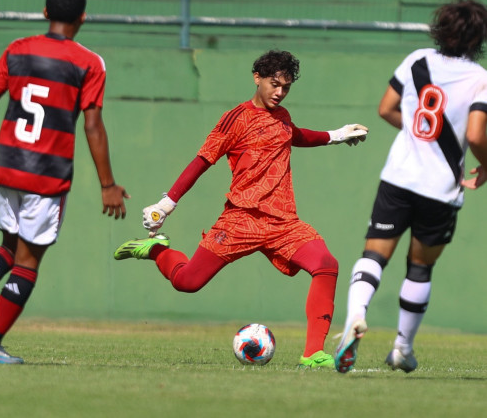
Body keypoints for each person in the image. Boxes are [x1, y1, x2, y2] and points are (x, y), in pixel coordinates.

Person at [114, 50, 368, 368]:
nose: (279, 92)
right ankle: (156, 250)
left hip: (282, 222)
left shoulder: (283, 117)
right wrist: (167, 203)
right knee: (188, 282)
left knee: (326, 264)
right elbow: (202, 160)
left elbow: (294, 136)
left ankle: (313, 354)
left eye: (286, 87)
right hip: (240, 220)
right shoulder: (236, 119)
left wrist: (337, 135)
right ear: (257, 78)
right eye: (274, 84)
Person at [0, 0, 128, 365]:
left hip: (9, 168)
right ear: (83, 17)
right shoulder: (89, 63)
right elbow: (92, 126)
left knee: (8, 247)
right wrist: (108, 185)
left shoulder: (17, 49)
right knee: (28, 263)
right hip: (47, 177)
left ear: (44, 13)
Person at [334, 0, 487, 374]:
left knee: (373, 257)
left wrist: (421, 137)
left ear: (441, 29)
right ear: (477, 38)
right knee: (419, 269)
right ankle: (402, 348)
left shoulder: (417, 60)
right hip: (440, 189)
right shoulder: (480, 78)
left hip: (399, 179)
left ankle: (354, 317)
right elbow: (475, 133)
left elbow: (386, 108)